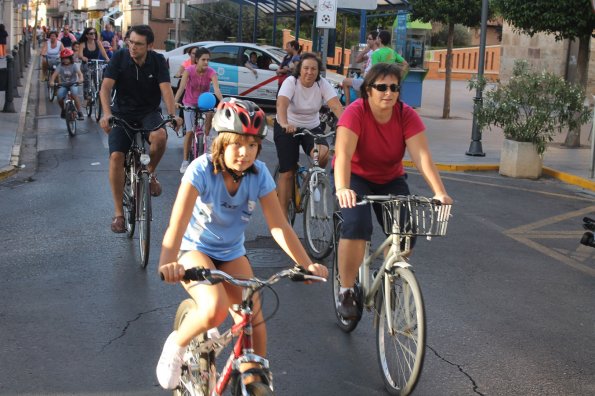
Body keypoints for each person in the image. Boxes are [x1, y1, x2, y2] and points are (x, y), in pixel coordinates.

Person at [156, 97, 328, 390]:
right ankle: (177, 344)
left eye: (252, 145)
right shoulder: (201, 170)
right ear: (221, 142)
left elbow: (278, 226)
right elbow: (177, 225)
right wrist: (166, 263)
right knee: (214, 310)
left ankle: (254, 381)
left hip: (231, 252)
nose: (245, 152)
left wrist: (306, 263)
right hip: (194, 251)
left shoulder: (259, 174)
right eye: (237, 143)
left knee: (252, 320)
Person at [333, 62, 453, 319]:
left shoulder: (406, 115)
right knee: (356, 225)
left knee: (406, 230)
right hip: (356, 177)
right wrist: (343, 188)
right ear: (368, 90)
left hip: (390, 177)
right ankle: (345, 290)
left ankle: (386, 273)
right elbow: (343, 155)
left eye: (394, 88)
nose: (388, 93)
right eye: (382, 87)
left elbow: (422, 157)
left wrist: (439, 192)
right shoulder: (355, 113)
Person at [99, 24, 182, 233]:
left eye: (138, 44)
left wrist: (173, 115)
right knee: (117, 157)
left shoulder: (157, 61)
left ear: (150, 46)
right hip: (122, 112)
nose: (132, 47)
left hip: (148, 112)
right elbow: (106, 88)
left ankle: (150, 173)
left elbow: (166, 91)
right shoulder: (119, 57)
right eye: (130, 42)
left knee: (160, 136)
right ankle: (119, 214)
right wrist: (107, 113)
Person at [274, 52, 343, 220]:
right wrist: (284, 123)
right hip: (288, 126)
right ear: (300, 69)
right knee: (288, 171)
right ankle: (282, 218)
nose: (309, 72)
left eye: (313, 69)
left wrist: (348, 125)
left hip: (311, 126)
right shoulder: (292, 82)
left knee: (323, 153)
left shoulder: (322, 84)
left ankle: (311, 177)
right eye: (306, 68)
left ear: (318, 71)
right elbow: (281, 103)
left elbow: (335, 105)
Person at [174, 46, 223, 174]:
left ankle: (206, 142)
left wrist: (223, 102)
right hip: (189, 102)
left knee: (210, 117)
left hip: (204, 103)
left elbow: (217, 90)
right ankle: (185, 161)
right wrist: (174, 101)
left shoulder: (211, 72)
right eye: (203, 60)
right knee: (190, 132)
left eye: (208, 60)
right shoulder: (189, 70)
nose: (206, 62)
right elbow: (182, 87)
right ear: (197, 60)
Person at [342, 31, 378, 106]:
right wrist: (365, 51)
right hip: (363, 78)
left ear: (375, 40)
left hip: (368, 80)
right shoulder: (371, 51)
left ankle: (347, 106)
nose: (367, 40)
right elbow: (357, 60)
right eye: (367, 38)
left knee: (345, 82)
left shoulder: (377, 52)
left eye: (370, 39)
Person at [50, 48, 84, 120]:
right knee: (59, 96)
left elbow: (80, 74)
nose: (65, 60)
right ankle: (63, 109)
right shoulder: (60, 66)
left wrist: (80, 79)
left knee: (74, 94)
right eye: (63, 58)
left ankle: (80, 112)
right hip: (63, 84)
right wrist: (52, 81)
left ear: (71, 58)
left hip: (73, 83)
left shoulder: (74, 65)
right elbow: (54, 75)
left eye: (67, 58)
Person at [78, 27, 110, 101]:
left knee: (98, 80)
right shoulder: (83, 44)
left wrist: (107, 59)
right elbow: (80, 55)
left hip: (96, 63)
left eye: (94, 33)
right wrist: (83, 57)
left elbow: (103, 52)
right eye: (91, 33)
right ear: (87, 35)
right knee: (87, 80)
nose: (93, 35)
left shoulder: (98, 43)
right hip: (86, 64)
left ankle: (100, 95)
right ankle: (87, 98)